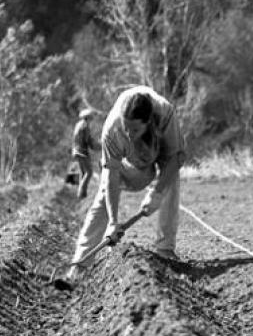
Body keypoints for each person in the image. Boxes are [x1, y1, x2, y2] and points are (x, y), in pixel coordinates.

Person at [63, 86, 185, 284]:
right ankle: (79, 266)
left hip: (160, 155)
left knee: (171, 181)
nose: (128, 133)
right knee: (103, 195)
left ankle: (165, 250)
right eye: (125, 127)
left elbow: (176, 157)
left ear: (148, 122)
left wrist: (157, 191)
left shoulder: (165, 114)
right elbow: (110, 174)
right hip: (133, 167)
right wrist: (113, 222)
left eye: (135, 129)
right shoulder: (112, 128)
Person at [71, 108, 97, 199]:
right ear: (87, 118)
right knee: (89, 172)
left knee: (83, 173)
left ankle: (83, 194)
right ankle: (81, 192)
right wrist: (96, 145)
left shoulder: (78, 124)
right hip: (82, 151)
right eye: (91, 118)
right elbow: (88, 140)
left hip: (76, 151)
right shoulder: (85, 126)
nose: (92, 120)